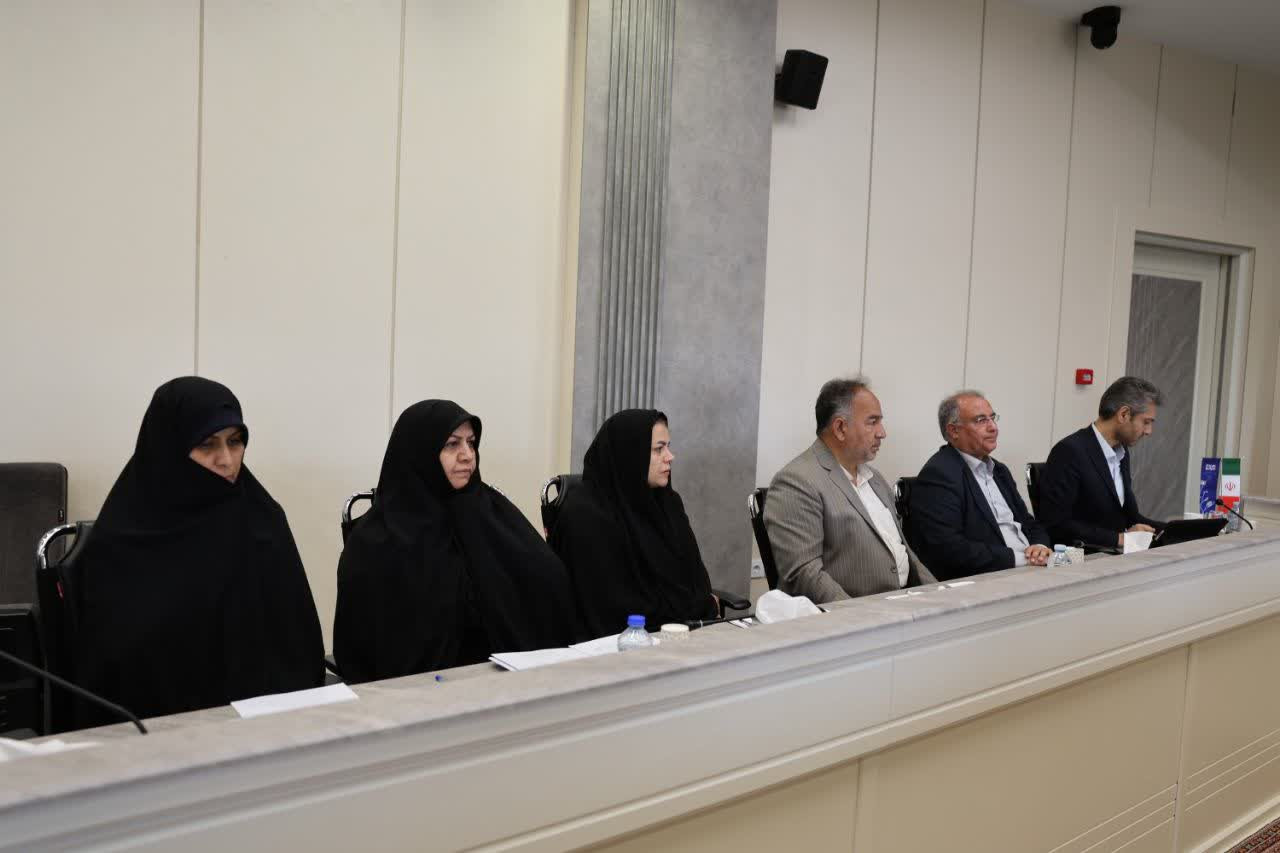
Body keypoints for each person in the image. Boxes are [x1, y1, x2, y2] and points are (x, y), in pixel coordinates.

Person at [71, 377, 324, 727]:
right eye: (207, 445)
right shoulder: (124, 540)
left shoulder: (262, 521)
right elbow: (117, 665)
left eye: (235, 442)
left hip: (266, 723)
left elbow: (297, 642)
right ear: (169, 446)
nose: (227, 460)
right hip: (155, 730)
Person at [334, 400, 576, 683]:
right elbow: (369, 642)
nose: (467, 456)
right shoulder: (377, 539)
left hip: (507, 678)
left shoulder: (489, 510)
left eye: (471, 443)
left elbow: (549, 579)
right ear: (419, 453)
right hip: (417, 690)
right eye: (452, 444)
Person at [549, 409, 718, 639]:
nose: (670, 456)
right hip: (620, 645)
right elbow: (613, 608)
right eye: (658, 449)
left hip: (685, 633)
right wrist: (695, 607)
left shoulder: (668, 503)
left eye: (668, 447)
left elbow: (696, 579)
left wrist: (699, 606)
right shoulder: (584, 516)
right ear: (630, 454)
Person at [764, 377, 934, 603]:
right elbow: (804, 574)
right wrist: (858, 616)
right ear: (840, 428)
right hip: (852, 614)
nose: (882, 432)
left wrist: (940, 594)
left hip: (902, 604)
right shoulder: (796, 482)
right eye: (872, 422)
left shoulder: (875, 478)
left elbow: (903, 551)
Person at [908, 391, 1052, 580]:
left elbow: (1028, 522)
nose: (993, 427)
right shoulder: (939, 475)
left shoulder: (999, 470)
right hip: (993, 577)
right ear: (954, 431)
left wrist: (1040, 547)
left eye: (992, 418)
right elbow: (949, 548)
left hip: (1032, 568)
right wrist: (1022, 559)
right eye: (981, 420)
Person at [1038, 376, 1166, 549]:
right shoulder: (1069, 452)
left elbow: (1130, 518)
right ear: (1124, 414)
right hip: (1082, 557)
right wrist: (1119, 539)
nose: (1148, 431)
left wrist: (1177, 531)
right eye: (1146, 422)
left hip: (1114, 554)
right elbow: (1056, 524)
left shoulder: (1122, 452)